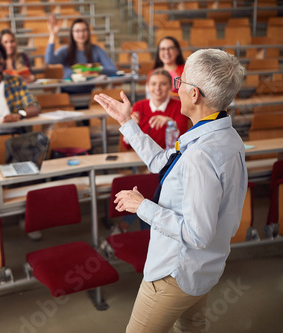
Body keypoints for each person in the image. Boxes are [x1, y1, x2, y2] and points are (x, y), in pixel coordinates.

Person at [94, 48, 247, 332]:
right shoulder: (223, 135)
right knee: (191, 326)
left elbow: (197, 234)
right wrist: (127, 123)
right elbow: (162, 162)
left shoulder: (201, 154)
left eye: (181, 82)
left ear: (194, 95)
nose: (176, 87)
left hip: (176, 272)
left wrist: (142, 207)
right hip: (204, 267)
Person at [45, 15, 118, 94]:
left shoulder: (96, 49)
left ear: (88, 32)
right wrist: (53, 35)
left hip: (90, 93)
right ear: (72, 33)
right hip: (67, 93)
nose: (81, 34)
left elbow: (113, 70)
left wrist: (93, 69)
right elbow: (49, 60)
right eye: (77, 31)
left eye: (84, 30)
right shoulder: (65, 50)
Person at [122, 68, 188, 151]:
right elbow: (126, 145)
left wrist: (171, 124)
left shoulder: (179, 106)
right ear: (148, 87)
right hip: (143, 159)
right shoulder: (138, 107)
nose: (157, 88)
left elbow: (184, 142)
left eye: (163, 84)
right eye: (153, 84)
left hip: (170, 159)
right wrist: (131, 126)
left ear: (170, 87)